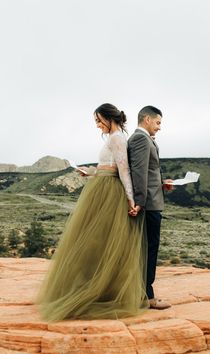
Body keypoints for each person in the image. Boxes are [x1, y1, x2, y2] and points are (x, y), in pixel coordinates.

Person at [36, 103, 148, 321]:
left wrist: (131, 199)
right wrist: (90, 172)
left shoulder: (117, 138)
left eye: (99, 120)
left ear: (109, 118)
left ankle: (101, 290)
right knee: (98, 242)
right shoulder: (112, 138)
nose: (97, 125)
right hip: (101, 187)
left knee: (101, 242)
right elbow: (108, 166)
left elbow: (123, 170)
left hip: (110, 193)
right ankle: (96, 287)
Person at [128, 105, 173, 310]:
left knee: (148, 248)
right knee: (149, 249)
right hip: (148, 205)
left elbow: (149, 172)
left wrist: (163, 183)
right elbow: (139, 173)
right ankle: (147, 296)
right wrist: (140, 202)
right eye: (158, 122)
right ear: (146, 119)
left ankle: (144, 293)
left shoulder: (146, 140)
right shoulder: (140, 139)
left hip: (150, 201)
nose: (160, 127)